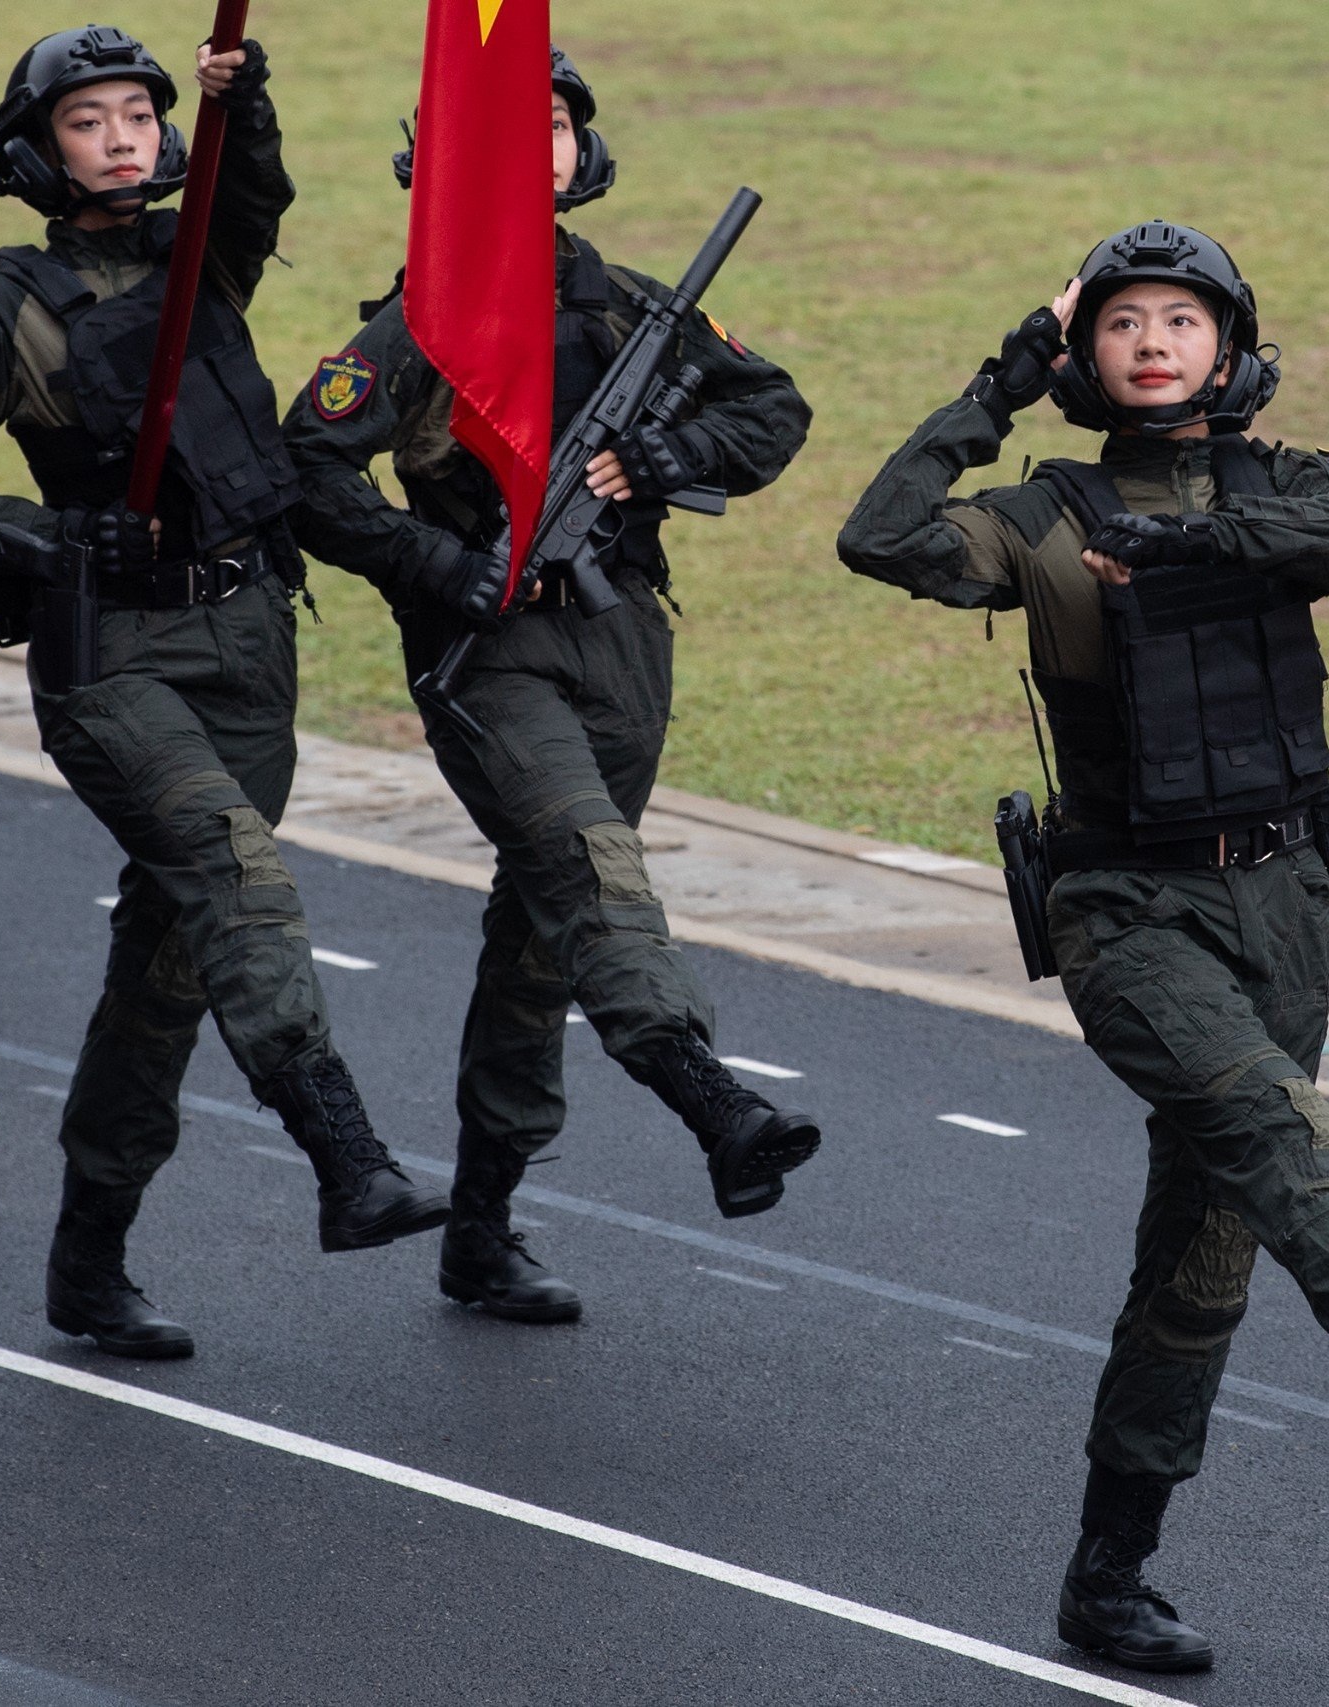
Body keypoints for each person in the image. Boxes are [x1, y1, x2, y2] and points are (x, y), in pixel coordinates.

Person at [835, 221, 1329, 1673]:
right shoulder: (1043, 516)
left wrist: (1199, 536)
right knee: (1279, 1132)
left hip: (1286, 906)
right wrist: (997, 378)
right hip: (1128, 910)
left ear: (1228, 349)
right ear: (1083, 356)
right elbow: (885, 535)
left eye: (1180, 318)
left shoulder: (1288, 487)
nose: (1152, 341)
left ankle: (1108, 1575)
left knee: (1204, 1254)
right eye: (1118, 324)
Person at [0, 25, 447, 1362]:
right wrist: (42, 537)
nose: (124, 138)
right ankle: (347, 1154)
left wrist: (244, 101)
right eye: (90, 121)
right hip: (113, 659)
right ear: (40, 149)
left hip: (250, 640)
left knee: (171, 955)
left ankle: (88, 1254)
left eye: (139, 116)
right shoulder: (10, 302)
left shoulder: (197, 247)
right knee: (238, 876)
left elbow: (252, 194)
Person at [284, 46, 819, 1328]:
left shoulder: (629, 304)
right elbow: (306, 462)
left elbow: (773, 411)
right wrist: (436, 566)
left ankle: (480, 1229)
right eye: (510, 134)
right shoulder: (423, 323)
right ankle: (706, 1090)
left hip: (623, 639)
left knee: (541, 932)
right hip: (494, 652)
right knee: (590, 871)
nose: (540, 152)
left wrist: (662, 450)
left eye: (559, 129)